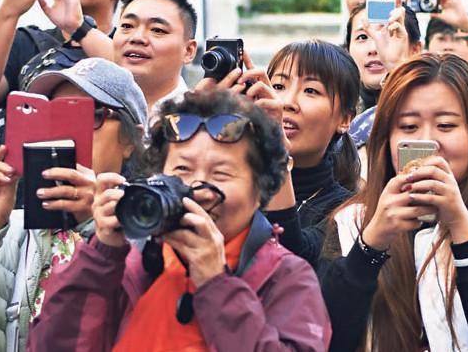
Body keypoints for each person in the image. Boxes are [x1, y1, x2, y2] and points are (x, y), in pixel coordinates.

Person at [28, 89, 331, 351]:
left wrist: (216, 282)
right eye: (182, 171)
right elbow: (52, 345)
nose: (197, 189)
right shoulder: (132, 259)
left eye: (220, 174)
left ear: (261, 190)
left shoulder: (288, 277)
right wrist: (102, 255)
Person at [319, 54, 468, 351]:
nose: (428, 141)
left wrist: (461, 225)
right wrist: (371, 245)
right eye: (408, 127)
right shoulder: (351, 222)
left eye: (446, 125)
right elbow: (325, 338)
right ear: (385, 139)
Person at [0, 58, 147, 351]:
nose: (68, 131)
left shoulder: (151, 227)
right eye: (54, 114)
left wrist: (95, 225)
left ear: (132, 139)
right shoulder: (16, 230)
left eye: (89, 115)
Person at [251, 40, 359, 267]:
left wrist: (275, 150)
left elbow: (289, 259)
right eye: (278, 86)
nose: (287, 102)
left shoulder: (349, 211)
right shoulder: (235, 186)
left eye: (311, 90)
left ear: (345, 119)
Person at [114, 0, 198, 112]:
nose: (137, 38)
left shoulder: (204, 122)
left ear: (188, 51)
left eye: (157, 30)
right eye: (127, 26)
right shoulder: (94, 111)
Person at [343, 3, 423, 114]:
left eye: (388, 34)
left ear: (416, 50)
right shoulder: (336, 109)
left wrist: (397, 69)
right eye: (362, 37)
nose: (373, 48)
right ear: (347, 51)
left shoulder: (435, 100)